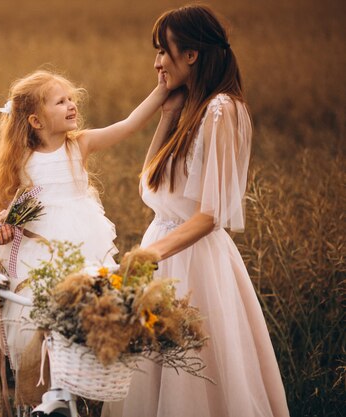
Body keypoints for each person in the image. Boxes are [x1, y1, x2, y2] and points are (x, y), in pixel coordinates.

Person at [103, 5, 290, 417]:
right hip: (164, 250)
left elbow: (210, 215)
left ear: (191, 54)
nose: (156, 63)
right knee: (151, 377)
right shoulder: (189, 109)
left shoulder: (222, 109)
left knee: (194, 376)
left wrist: (150, 255)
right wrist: (167, 116)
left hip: (194, 262)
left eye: (162, 51)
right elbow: (150, 186)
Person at [0, 69, 169, 376]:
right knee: (36, 322)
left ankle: (79, 387)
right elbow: (5, 209)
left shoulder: (79, 145)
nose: (71, 106)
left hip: (81, 242)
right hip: (35, 252)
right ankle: (40, 390)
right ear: (36, 121)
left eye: (71, 99)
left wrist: (161, 92)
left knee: (83, 316)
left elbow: (128, 125)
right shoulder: (20, 161)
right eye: (60, 102)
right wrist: (4, 228)